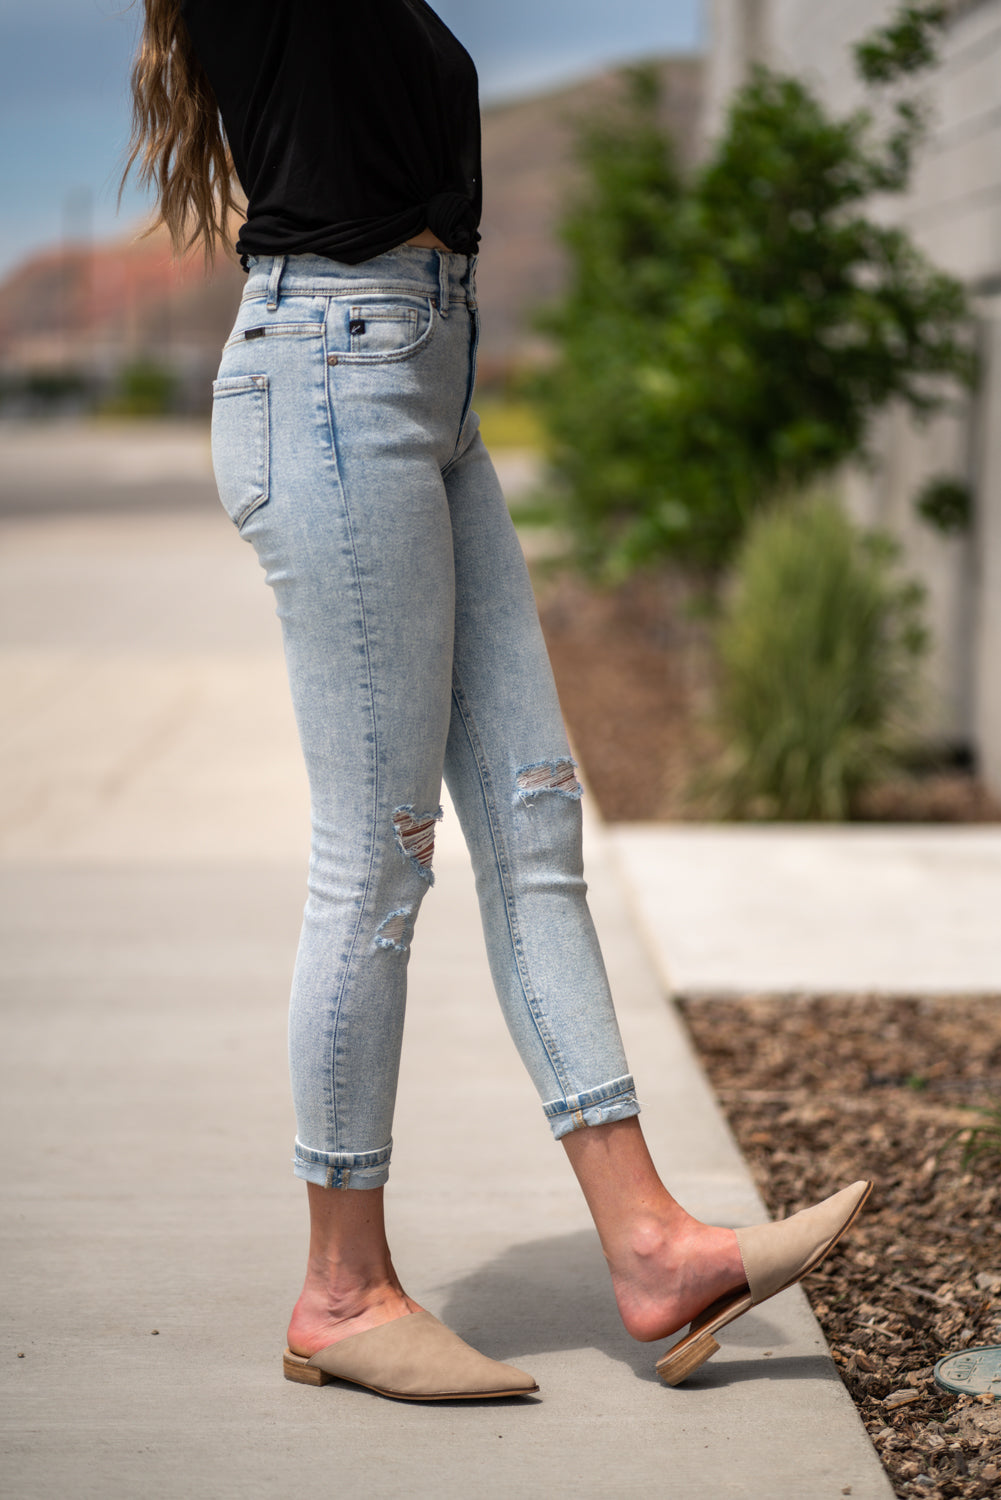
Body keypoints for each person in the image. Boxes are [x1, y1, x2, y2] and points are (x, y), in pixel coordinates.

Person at [124, 0, 871, 1402]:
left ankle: (652, 1246)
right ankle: (341, 1294)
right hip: (332, 378)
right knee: (378, 857)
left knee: (536, 821)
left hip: (426, 378)